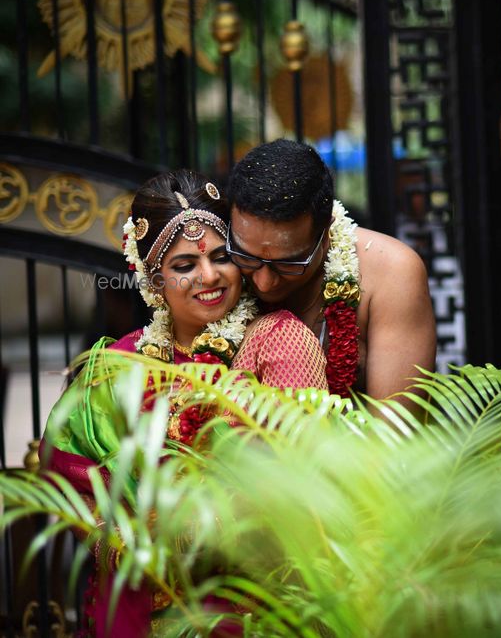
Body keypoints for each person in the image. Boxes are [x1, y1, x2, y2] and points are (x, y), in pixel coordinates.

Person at [41, 170, 328, 636]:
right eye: (184, 266)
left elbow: (299, 466)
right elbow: (66, 469)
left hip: (243, 600)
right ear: (154, 281)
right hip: (135, 600)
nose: (209, 277)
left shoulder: (277, 342)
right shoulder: (116, 365)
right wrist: (120, 541)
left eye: (221, 257)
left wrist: (196, 528)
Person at [226, 139, 436, 399]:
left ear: (326, 234)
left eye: (288, 263)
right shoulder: (213, 268)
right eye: (247, 257)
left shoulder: (391, 273)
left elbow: (392, 434)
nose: (264, 282)